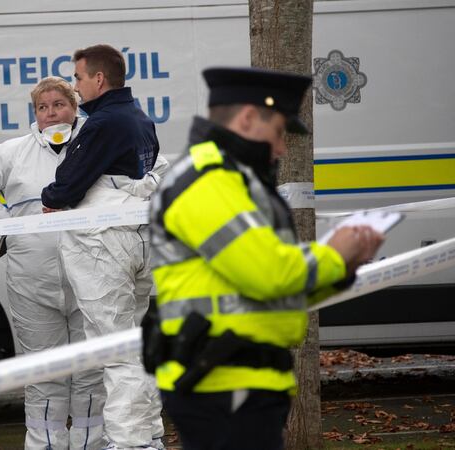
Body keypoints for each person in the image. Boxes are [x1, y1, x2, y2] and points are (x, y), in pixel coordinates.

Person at [146, 67, 385, 450]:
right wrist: (335, 256)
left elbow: (270, 282)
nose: (282, 148)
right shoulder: (207, 182)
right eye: (278, 132)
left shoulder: (231, 180)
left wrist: (345, 267)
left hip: (237, 380)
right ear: (246, 118)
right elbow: (269, 273)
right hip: (223, 383)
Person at [0, 76, 108, 449]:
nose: (51, 113)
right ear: (34, 113)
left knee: (90, 371)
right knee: (44, 373)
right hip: (32, 282)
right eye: (42, 107)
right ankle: (45, 443)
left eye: (59, 105)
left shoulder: (97, 145)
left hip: (90, 278)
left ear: (74, 107)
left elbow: (149, 169)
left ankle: (90, 442)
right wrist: (6, 225)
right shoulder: (13, 152)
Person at [41, 44, 167, 450]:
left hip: (103, 246)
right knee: (136, 343)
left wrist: (53, 194)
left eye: (77, 78)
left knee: (116, 350)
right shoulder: (140, 118)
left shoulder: (103, 123)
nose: (75, 88)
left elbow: (65, 186)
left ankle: (129, 442)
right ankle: (148, 435)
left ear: (98, 79)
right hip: (137, 239)